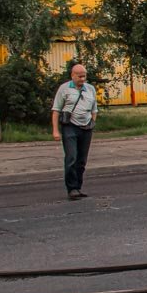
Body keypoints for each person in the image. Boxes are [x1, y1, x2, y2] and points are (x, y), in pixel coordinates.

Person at [52, 63, 98, 200]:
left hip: (86, 127)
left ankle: (78, 187)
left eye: (84, 76)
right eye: (79, 76)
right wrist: (55, 130)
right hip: (70, 127)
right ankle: (71, 188)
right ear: (72, 75)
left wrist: (92, 123)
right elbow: (56, 110)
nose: (82, 79)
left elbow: (94, 109)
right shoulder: (64, 89)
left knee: (82, 160)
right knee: (71, 157)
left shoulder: (90, 89)